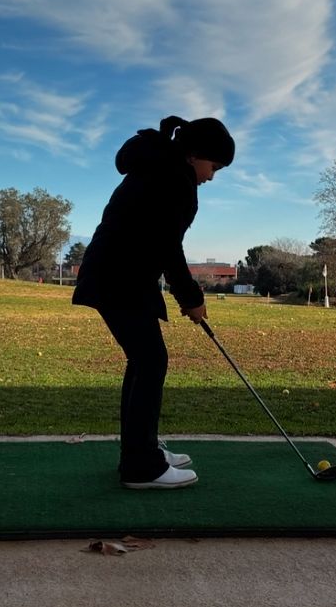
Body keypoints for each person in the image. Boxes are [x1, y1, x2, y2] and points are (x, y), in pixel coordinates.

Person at [72, 115, 235, 489]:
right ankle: (141, 465)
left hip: (119, 276)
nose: (211, 177)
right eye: (213, 167)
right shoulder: (172, 178)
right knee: (150, 360)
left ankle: (142, 449)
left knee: (145, 360)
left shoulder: (161, 167)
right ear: (194, 156)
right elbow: (166, 246)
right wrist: (190, 297)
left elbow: (157, 242)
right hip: (119, 279)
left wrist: (185, 294)